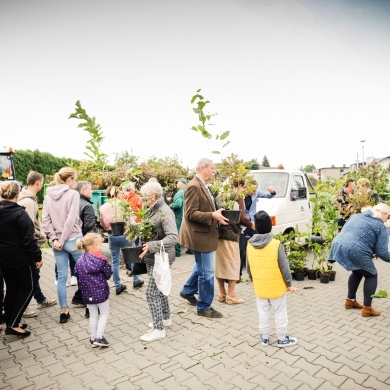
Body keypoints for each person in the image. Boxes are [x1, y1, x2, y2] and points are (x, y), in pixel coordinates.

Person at [179, 158, 228, 318]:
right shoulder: (193, 186)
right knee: (207, 272)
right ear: (202, 168)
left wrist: (216, 212)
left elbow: (204, 208)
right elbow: (190, 213)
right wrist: (212, 215)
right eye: (212, 168)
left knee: (200, 268)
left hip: (203, 234)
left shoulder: (202, 185)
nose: (214, 171)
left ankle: (187, 291)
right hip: (200, 236)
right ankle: (204, 307)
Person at [328, 203, 390, 317]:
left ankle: (350, 301)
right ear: (383, 214)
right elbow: (382, 252)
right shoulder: (380, 225)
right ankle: (367, 308)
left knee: (357, 271)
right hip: (355, 249)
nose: (387, 219)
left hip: (338, 244)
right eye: (388, 216)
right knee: (371, 274)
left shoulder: (357, 216)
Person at [247, 210, 298, 348]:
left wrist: (252, 280)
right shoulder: (276, 244)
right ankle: (282, 338)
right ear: (270, 227)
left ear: (255, 227)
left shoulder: (249, 244)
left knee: (263, 313)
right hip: (276, 288)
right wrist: (289, 284)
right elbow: (284, 267)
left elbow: (249, 266)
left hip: (260, 288)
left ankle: (264, 338)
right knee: (280, 313)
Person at [0, 181, 42, 337]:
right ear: (17, 195)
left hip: (3, 260)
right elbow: (28, 240)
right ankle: (12, 324)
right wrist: (37, 257)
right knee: (28, 288)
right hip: (20, 260)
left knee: (12, 289)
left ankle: (13, 320)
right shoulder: (20, 214)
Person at [42, 167, 84, 323]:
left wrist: (54, 239)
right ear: (69, 179)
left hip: (57, 243)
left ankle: (63, 311)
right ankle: (89, 306)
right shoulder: (73, 194)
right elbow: (71, 219)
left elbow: (46, 221)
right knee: (83, 273)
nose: (76, 182)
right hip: (73, 240)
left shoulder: (47, 197)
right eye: (76, 179)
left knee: (61, 278)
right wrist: (64, 239)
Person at [138, 181, 178, 342]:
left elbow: (173, 237)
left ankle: (158, 329)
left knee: (151, 292)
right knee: (159, 288)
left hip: (161, 258)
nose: (142, 199)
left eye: (144, 197)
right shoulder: (152, 209)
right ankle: (166, 318)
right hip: (152, 256)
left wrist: (152, 245)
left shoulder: (164, 211)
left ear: (153, 196)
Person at [18, 171, 56, 314]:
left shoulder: (28, 198)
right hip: (31, 244)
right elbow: (28, 227)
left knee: (35, 274)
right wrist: (40, 236)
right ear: (38, 182)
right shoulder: (28, 201)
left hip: (31, 243)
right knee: (31, 276)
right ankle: (24, 307)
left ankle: (40, 299)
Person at [99, 186, 144, 294]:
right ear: (116, 193)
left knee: (115, 261)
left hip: (111, 235)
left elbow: (102, 222)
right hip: (125, 233)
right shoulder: (123, 204)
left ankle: (118, 285)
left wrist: (108, 228)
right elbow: (131, 219)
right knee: (132, 258)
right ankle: (136, 280)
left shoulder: (103, 206)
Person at [74, 233, 112, 347]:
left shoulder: (80, 261)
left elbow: (76, 273)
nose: (101, 247)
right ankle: (99, 337)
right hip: (100, 291)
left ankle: (93, 337)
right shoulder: (101, 260)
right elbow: (108, 274)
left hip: (86, 293)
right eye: (99, 245)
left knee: (93, 314)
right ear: (92, 248)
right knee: (104, 313)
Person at [239, 180, 276, 279]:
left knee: (260, 243)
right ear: (246, 188)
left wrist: (272, 192)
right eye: (253, 190)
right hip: (242, 224)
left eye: (256, 190)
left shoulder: (257, 192)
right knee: (241, 249)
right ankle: (238, 274)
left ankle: (260, 271)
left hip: (252, 224)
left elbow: (269, 196)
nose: (255, 192)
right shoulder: (239, 195)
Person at [76, 181, 98, 319]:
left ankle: (78, 296)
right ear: (83, 190)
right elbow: (90, 227)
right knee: (91, 272)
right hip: (87, 242)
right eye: (90, 190)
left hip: (77, 240)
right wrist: (93, 243)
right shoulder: (87, 205)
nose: (92, 192)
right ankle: (89, 302)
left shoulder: (75, 203)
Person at [169, 178, 187, 256]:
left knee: (176, 233)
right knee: (187, 233)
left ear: (182, 184)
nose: (176, 184)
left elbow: (178, 204)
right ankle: (191, 250)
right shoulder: (188, 191)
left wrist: (170, 205)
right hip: (187, 216)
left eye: (178, 183)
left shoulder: (179, 193)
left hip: (179, 216)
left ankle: (177, 251)